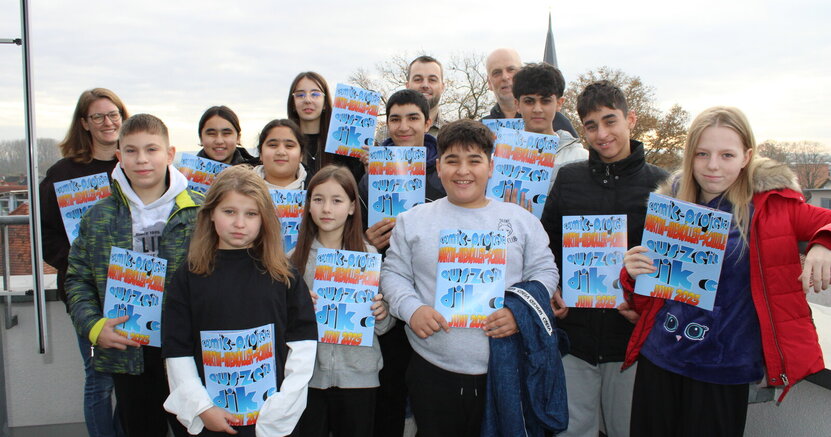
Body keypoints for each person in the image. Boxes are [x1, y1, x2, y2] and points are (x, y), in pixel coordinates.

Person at [620, 106, 831, 436]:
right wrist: (632, 273)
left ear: (747, 156)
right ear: (690, 156)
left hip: (723, 369)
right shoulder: (672, 205)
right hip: (660, 360)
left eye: (727, 154)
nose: (713, 166)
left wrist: (823, 244)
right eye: (702, 154)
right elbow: (647, 297)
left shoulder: (773, 206)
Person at [381, 119, 559, 437]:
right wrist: (411, 309)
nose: (463, 171)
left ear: (490, 167)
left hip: (504, 370)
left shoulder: (522, 221)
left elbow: (545, 272)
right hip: (432, 369)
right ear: (438, 167)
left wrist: (520, 314)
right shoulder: (412, 220)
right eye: (453, 161)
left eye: (474, 160)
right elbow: (394, 274)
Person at [540, 81, 668, 437]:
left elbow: (672, 267)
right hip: (574, 339)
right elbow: (546, 247)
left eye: (610, 121)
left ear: (631, 119)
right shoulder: (568, 178)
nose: (602, 133)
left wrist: (646, 305)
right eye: (592, 125)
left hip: (631, 342)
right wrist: (553, 288)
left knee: (628, 429)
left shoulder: (662, 184)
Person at [65, 114, 201, 437]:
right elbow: (76, 280)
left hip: (188, 350)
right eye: (131, 151)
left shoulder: (203, 212)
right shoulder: (98, 216)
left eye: (151, 150)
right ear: (119, 158)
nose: (142, 159)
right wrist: (94, 326)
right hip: (127, 350)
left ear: (170, 155)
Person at [162, 166, 317, 436]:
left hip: (272, 416)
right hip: (212, 415)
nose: (239, 223)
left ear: (264, 219)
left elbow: (303, 346)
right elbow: (177, 349)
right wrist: (202, 407)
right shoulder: (188, 277)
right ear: (210, 214)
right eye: (229, 212)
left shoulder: (284, 275)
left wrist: (282, 406)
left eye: (251, 214)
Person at [39, 87, 128, 437]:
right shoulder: (62, 173)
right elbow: (47, 236)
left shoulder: (134, 164)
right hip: (87, 291)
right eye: (98, 117)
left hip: (132, 286)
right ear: (84, 124)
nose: (108, 122)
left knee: (132, 378)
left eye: (114, 115)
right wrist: (78, 263)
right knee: (100, 378)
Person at [288, 165, 393, 437]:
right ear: (308, 205)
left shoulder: (369, 256)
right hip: (307, 379)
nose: (326, 209)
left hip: (360, 377)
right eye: (318, 199)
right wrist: (297, 309)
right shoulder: (291, 261)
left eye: (337, 200)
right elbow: (280, 323)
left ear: (351, 207)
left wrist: (382, 313)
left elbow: (385, 323)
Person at [359, 89, 446, 251]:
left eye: (413, 118)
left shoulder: (446, 173)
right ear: (387, 125)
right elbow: (353, 231)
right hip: (385, 269)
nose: (403, 127)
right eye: (395, 119)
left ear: (427, 124)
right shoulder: (369, 178)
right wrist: (366, 243)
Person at [287, 71, 364, 183]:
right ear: (293, 103)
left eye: (315, 94)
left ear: (324, 103)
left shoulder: (344, 145)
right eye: (300, 95)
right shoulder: (284, 144)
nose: (308, 100)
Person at [482, 48, 578, 137]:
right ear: (489, 82)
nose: (505, 77)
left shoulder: (557, 120)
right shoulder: (481, 128)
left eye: (511, 70)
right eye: (497, 73)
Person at [254, 119, 309, 189]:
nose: (281, 152)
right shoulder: (240, 188)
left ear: (301, 155)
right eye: (273, 145)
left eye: (289, 146)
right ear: (260, 153)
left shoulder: (317, 188)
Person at [405, 55, 446, 137]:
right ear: (407, 86)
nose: (425, 85)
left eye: (432, 80)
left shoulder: (456, 135)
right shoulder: (386, 134)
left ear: (442, 87)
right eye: (418, 79)